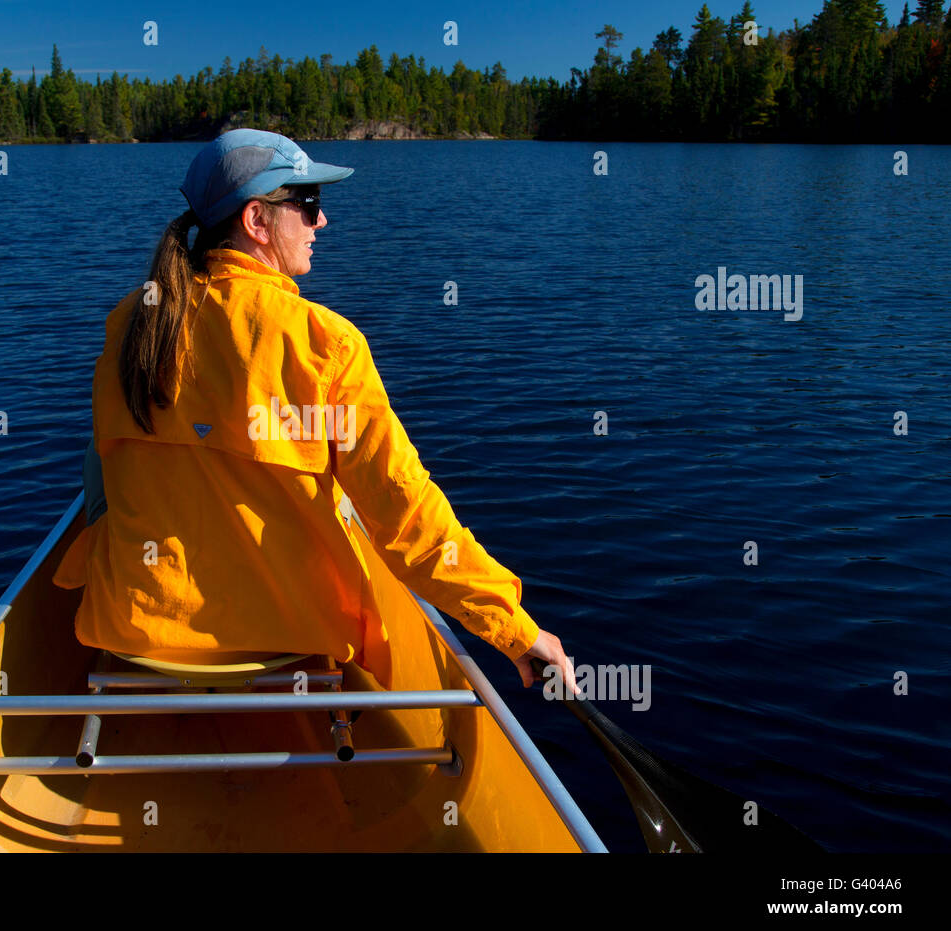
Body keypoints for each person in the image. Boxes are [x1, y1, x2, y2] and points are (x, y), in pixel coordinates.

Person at [53, 128, 578, 694]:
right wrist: (515, 630)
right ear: (257, 221)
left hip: (135, 631)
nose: (321, 222)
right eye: (307, 204)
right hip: (283, 642)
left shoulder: (131, 321)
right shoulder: (325, 343)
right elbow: (405, 512)